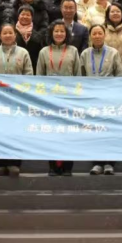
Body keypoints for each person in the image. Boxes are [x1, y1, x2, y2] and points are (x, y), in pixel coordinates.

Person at [0, 24, 34, 177]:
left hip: (17, 100)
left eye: (10, 33)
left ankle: (14, 163)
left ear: (15, 35)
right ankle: (0, 163)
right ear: (0, 36)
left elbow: (29, 75)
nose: (7, 35)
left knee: (16, 131)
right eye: (4, 33)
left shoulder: (23, 52)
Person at [37, 21, 82, 176]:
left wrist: (76, 97)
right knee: (51, 133)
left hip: (68, 98)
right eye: (56, 31)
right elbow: (39, 77)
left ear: (66, 34)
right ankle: (52, 167)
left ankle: (68, 167)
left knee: (69, 133)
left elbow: (78, 75)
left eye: (62, 31)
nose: (59, 34)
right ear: (51, 33)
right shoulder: (44, 52)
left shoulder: (73, 51)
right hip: (50, 99)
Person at [81, 24, 122, 176]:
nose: (97, 36)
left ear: (104, 35)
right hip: (91, 99)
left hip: (109, 98)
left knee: (110, 130)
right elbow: (81, 76)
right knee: (94, 131)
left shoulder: (113, 53)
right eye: (94, 33)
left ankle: (110, 163)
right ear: (90, 36)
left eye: (100, 33)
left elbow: (120, 75)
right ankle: (96, 163)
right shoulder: (85, 54)